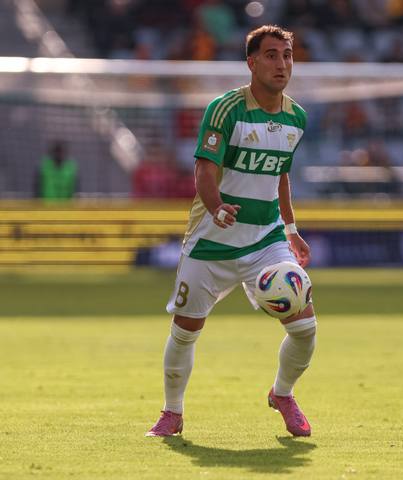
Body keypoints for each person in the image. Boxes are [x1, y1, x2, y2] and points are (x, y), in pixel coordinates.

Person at [146, 25, 316, 437]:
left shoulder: (296, 117)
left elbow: (280, 174)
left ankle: (282, 394)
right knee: (185, 333)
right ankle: (172, 413)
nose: (281, 64)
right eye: (272, 55)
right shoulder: (225, 110)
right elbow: (204, 169)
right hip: (212, 241)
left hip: (265, 240)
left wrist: (291, 228)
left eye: (287, 55)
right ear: (252, 62)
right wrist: (217, 206)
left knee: (305, 329)